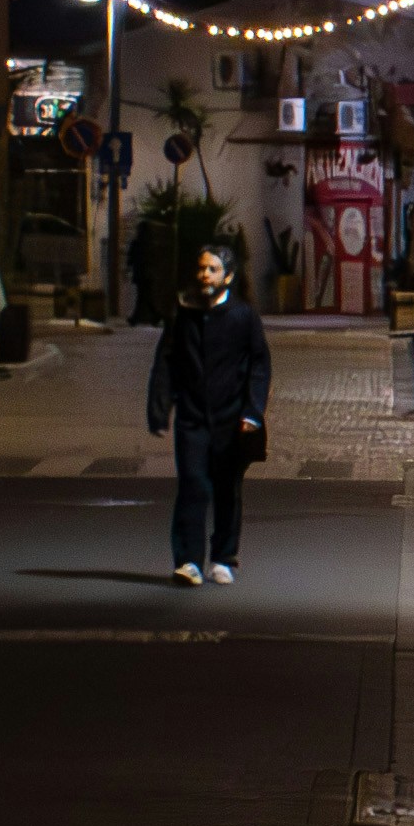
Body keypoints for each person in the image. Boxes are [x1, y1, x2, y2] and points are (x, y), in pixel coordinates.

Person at [140, 243, 272, 584]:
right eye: (201, 268)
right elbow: (167, 361)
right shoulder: (184, 314)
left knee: (228, 488)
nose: (204, 275)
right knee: (193, 485)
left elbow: (259, 364)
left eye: (212, 269)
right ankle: (188, 561)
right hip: (192, 416)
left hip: (232, 419)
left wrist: (253, 411)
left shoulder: (244, 317)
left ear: (228, 276)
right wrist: (159, 408)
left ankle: (224, 556)